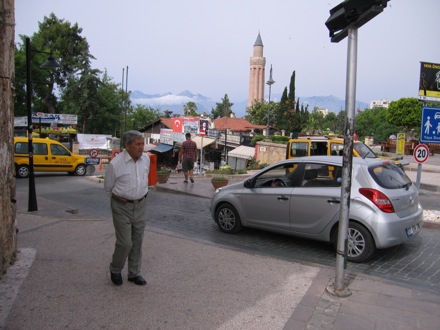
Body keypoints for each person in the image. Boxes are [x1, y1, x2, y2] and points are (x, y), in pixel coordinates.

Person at [104, 130, 150, 286]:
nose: (141, 147)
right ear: (127, 145)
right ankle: (115, 269)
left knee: (137, 241)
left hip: (141, 204)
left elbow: (145, 178)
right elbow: (108, 187)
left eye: (142, 144)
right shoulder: (115, 164)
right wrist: (119, 198)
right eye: (138, 144)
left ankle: (134, 273)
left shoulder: (146, 160)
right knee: (125, 242)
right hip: (121, 206)